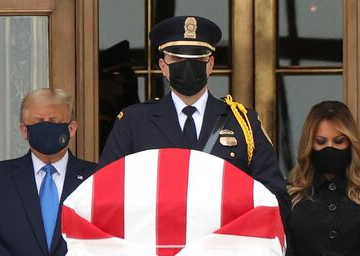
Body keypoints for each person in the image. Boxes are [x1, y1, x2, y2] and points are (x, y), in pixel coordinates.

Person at [99, 15, 291, 252]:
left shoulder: (243, 123)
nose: (187, 66)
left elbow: (275, 198)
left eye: (197, 59)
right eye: (178, 59)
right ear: (163, 67)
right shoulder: (133, 123)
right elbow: (104, 197)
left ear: (210, 64)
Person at [0, 88, 96, 256]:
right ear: (24, 130)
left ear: (71, 128)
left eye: (54, 121)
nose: (46, 127)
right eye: (39, 122)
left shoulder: (97, 178)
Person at [287, 100, 360, 256]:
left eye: (338, 141)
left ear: (350, 143)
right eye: (321, 142)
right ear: (309, 145)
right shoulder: (289, 194)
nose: (329, 147)